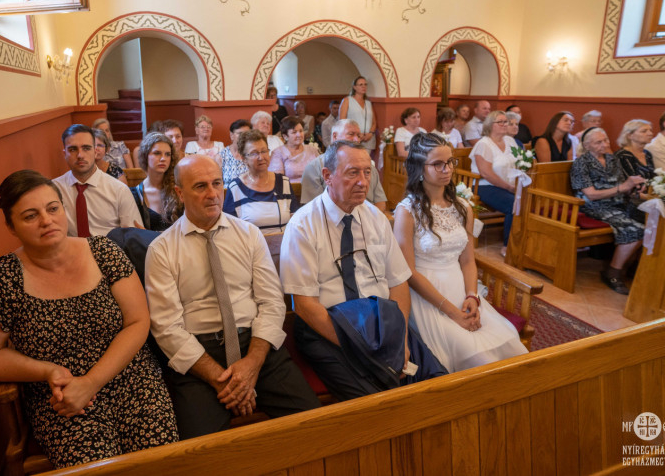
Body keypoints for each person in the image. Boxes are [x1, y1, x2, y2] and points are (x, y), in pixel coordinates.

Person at [0, 170, 178, 469]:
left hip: (131, 378)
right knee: (94, 467)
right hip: (61, 398)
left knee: (160, 463)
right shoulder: (5, 278)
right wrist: (48, 370)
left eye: (53, 208)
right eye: (30, 216)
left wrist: (91, 382)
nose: (46, 220)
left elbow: (138, 322)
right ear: (11, 226)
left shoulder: (104, 252)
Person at [145, 155, 321, 439]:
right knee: (200, 450)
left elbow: (271, 303)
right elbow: (167, 328)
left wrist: (252, 364)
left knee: (315, 426)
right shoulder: (162, 249)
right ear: (179, 193)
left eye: (217, 184)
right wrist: (224, 381)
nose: (212, 193)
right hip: (200, 357)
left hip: (255, 345)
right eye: (200, 186)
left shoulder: (249, 234)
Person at [280, 141, 446, 401]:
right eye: (352, 173)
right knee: (376, 404)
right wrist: (362, 346)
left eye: (367, 172)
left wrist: (399, 339)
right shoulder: (303, 225)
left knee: (439, 384)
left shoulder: (376, 218)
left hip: (382, 322)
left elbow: (398, 283)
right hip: (329, 327)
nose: (363, 182)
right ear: (327, 176)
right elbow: (304, 306)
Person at [394, 134, 528, 372]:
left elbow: (467, 261)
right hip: (427, 296)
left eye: (450, 162)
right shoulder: (407, 211)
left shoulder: (463, 207)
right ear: (419, 168)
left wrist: (472, 297)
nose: (447, 169)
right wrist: (452, 313)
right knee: (480, 361)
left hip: (461, 290)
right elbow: (409, 272)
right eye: (438, 164)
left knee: (515, 352)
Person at [571, 128, 646, 294]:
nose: (604, 144)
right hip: (594, 206)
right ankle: (613, 272)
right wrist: (623, 187)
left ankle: (634, 267)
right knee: (635, 229)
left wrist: (634, 186)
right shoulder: (581, 163)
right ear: (587, 145)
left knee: (650, 219)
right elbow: (591, 195)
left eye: (605, 140)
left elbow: (622, 185)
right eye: (598, 142)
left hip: (619, 202)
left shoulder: (612, 159)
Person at [52, 124, 142, 236]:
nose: (80, 155)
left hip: (111, 246)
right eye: (73, 149)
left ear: (95, 152)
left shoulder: (119, 190)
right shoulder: (54, 190)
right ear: (65, 154)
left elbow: (134, 237)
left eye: (86, 148)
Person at [299, 119, 387, 210]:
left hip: (367, 215)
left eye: (359, 136)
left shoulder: (369, 166)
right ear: (335, 136)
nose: (356, 139)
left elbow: (380, 201)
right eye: (351, 134)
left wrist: (372, 218)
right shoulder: (314, 167)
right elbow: (314, 208)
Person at [223, 130, 299, 234]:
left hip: (283, 242)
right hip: (251, 244)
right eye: (254, 153)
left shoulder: (283, 182)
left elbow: (295, 219)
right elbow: (229, 228)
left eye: (264, 151)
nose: (261, 157)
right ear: (243, 158)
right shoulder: (235, 187)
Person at [469, 111, 519, 256]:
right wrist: (509, 187)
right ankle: (507, 246)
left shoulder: (510, 141)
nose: (504, 124)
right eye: (500, 122)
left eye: (506, 122)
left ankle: (522, 242)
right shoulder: (483, 144)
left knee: (530, 201)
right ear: (490, 125)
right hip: (485, 185)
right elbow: (486, 173)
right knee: (513, 204)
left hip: (511, 184)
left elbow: (519, 163)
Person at [131, 133, 182, 231]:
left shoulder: (179, 189)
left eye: (167, 154)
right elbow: (135, 231)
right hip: (146, 241)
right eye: (157, 153)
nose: (163, 159)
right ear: (145, 156)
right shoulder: (134, 194)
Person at [268, 116, 320, 183]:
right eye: (294, 132)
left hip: (314, 187)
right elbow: (278, 180)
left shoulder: (312, 150)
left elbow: (322, 172)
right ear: (285, 136)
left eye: (301, 131)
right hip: (290, 188)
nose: (299, 135)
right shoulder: (278, 153)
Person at [339, 76, 378, 152]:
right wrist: (356, 134)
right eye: (361, 85)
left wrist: (370, 134)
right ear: (354, 87)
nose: (364, 86)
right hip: (353, 138)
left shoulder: (368, 103)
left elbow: (374, 122)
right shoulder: (347, 100)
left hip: (368, 139)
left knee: (365, 159)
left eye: (365, 84)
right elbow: (342, 121)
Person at [221, 119, 252, 184]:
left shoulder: (254, 154)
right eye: (240, 133)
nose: (244, 137)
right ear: (232, 135)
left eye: (247, 134)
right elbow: (217, 183)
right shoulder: (222, 156)